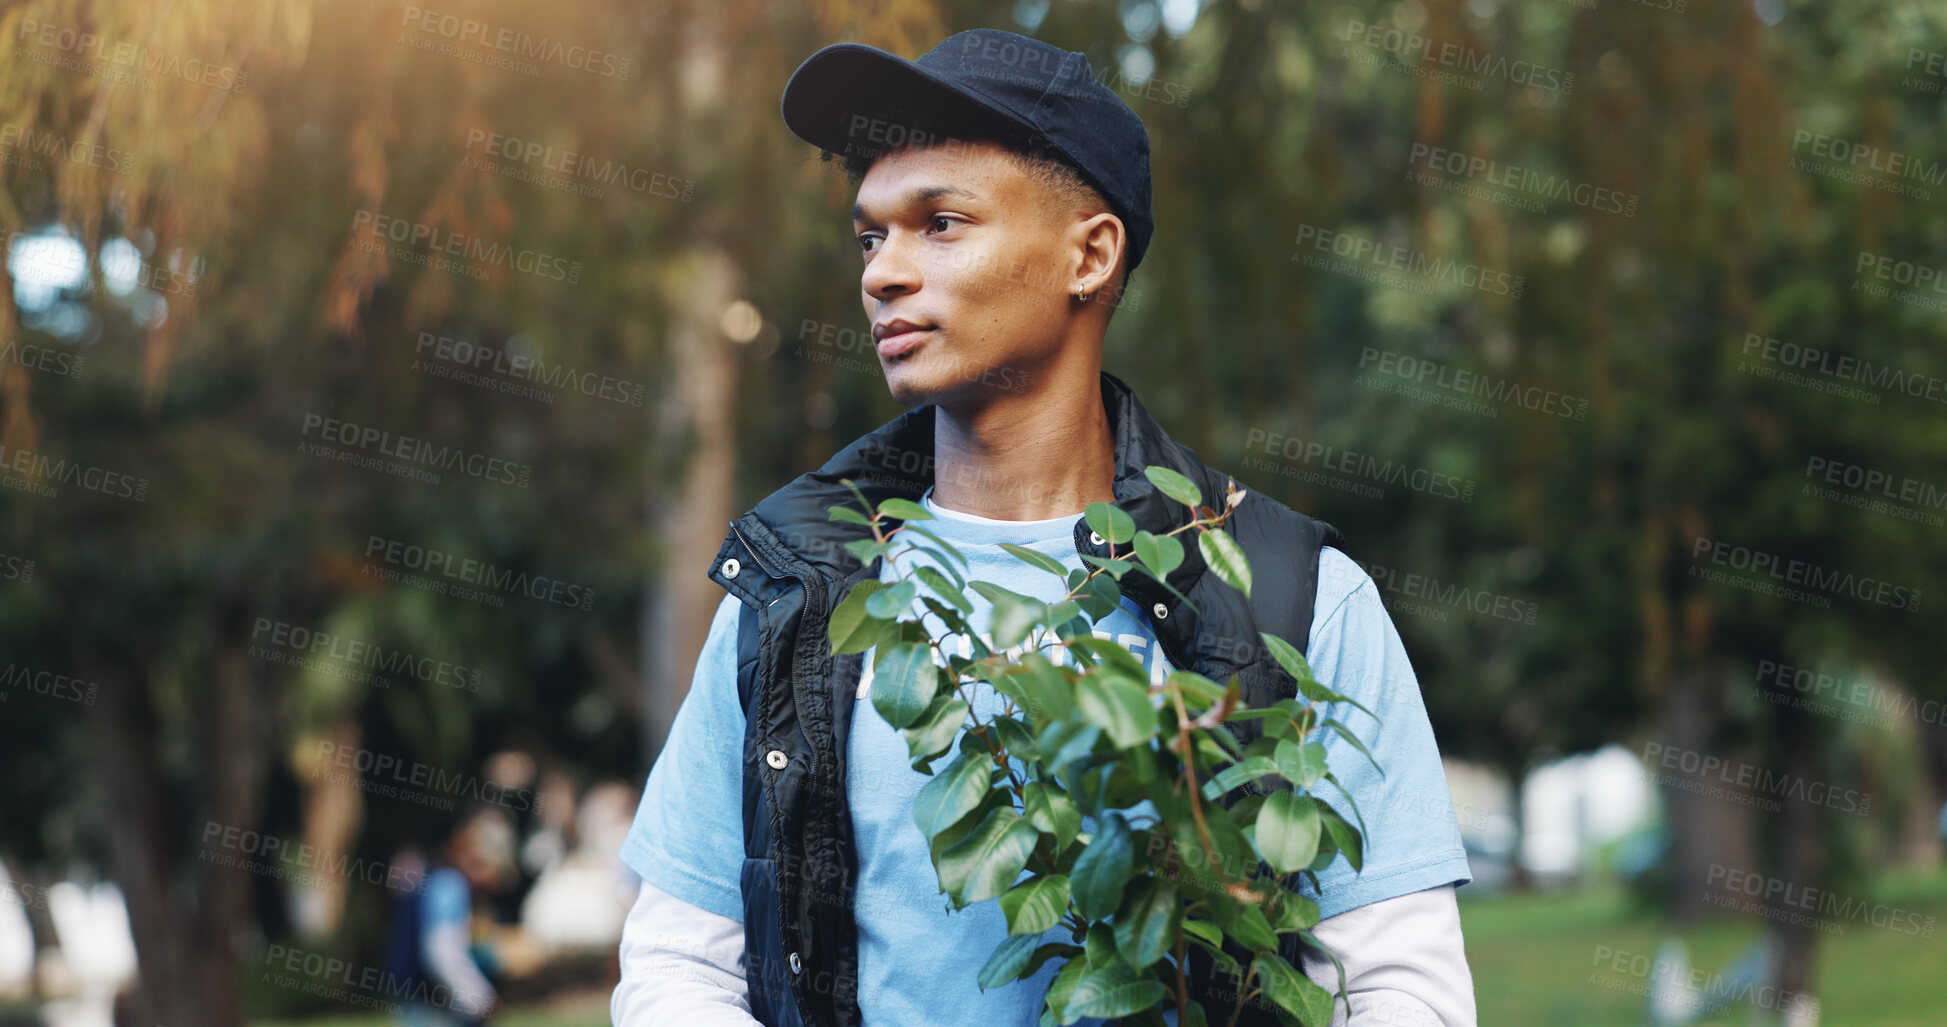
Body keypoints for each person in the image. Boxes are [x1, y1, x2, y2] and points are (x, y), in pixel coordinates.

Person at [613, 27, 1476, 1027]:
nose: (883, 272)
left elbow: (1404, 994)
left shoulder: (1295, 596)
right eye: (870, 234)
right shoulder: (791, 589)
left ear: (1090, 253)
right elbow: (679, 968)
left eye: (940, 222)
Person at [387, 807, 507, 1026]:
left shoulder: (425, 876)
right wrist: (479, 998)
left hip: (418, 1001)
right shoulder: (448, 884)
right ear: (454, 840)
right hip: (437, 1007)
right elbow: (442, 951)